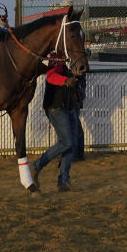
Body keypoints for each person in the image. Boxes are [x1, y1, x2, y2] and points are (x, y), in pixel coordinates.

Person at [32, 60, 79, 192]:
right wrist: (66, 80)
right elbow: (51, 76)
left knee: (70, 144)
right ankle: (36, 166)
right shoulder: (56, 58)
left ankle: (64, 181)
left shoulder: (71, 59)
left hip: (68, 106)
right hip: (56, 107)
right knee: (67, 142)